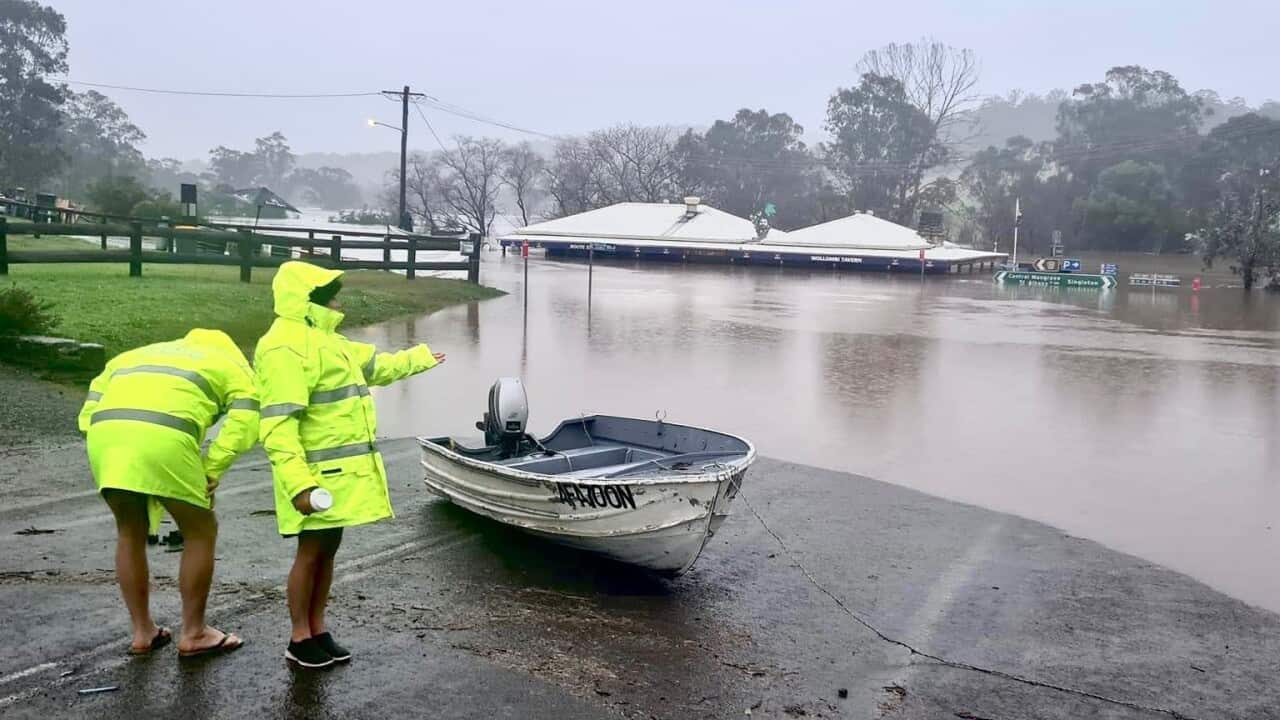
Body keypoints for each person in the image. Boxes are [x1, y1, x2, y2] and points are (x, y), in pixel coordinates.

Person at [255, 261, 444, 669]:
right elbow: (278, 425)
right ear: (310, 300)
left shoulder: (330, 341)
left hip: (338, 476)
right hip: (312, 476)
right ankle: (299, 637)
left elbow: (376, 367)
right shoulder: (284, 347)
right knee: (310, 552)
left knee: (328, 550)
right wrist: (299, 485)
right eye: (333, 297)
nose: (340, 303)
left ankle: (317, 627)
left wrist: (420, 358)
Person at [80, 328, 258, 657]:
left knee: (129, 530)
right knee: (200, 529)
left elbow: (91, 402)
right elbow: (247, 418)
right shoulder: (231, 364)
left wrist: (105, 438)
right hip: (166, 437)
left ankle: (142, 632)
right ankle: (195, 633)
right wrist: (213, 467)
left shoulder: (136, 354)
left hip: (105, 435)